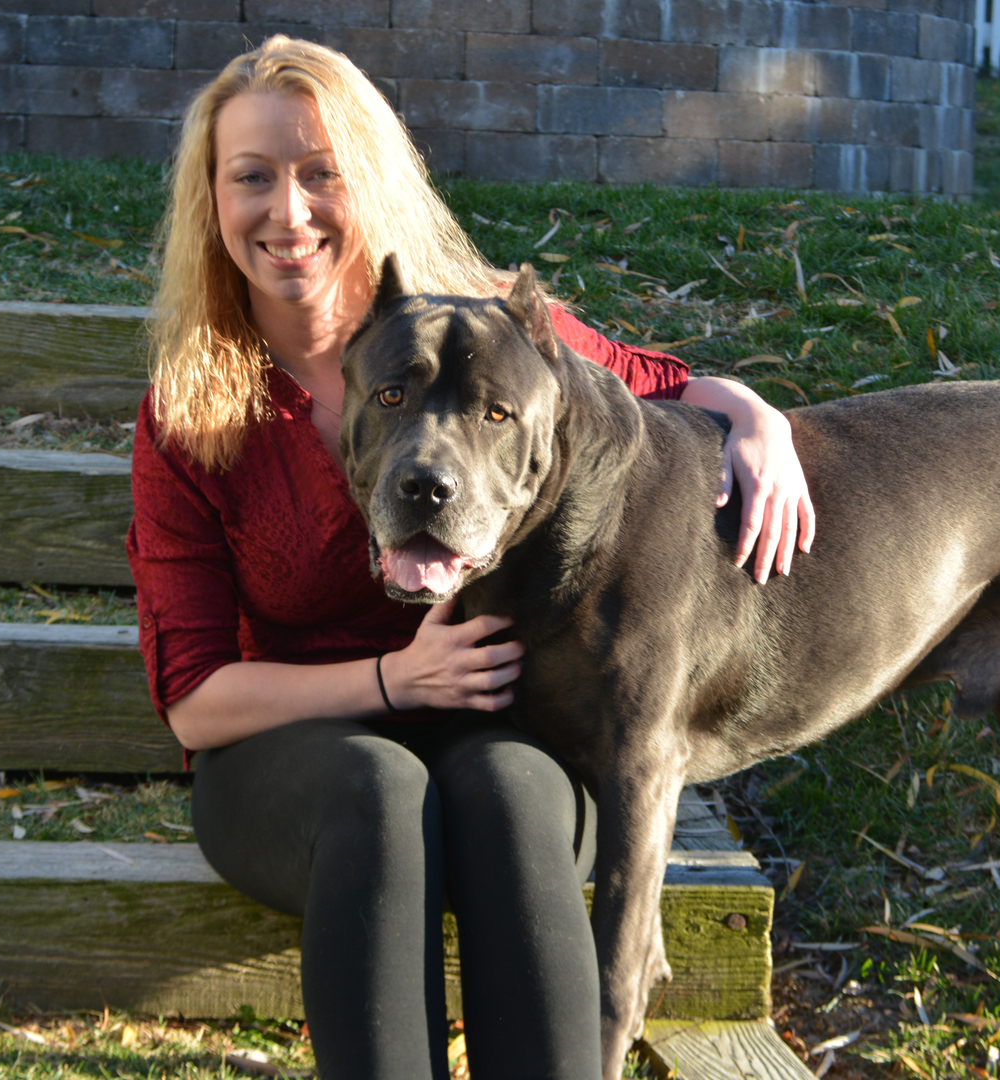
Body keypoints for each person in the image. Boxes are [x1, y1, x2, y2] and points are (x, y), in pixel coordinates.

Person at [126, 35, 815, 1080]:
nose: (290, 211)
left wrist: (758, 418)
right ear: (210, 199)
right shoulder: (194, 412)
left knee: (516, 794)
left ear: (370, 179)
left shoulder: (471, 328)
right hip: (293, 756)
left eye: (322, 174)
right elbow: (192, 700)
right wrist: (393, 682)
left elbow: (646, 382)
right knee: (375, 791)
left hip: (497, 721)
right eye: (252, 177)